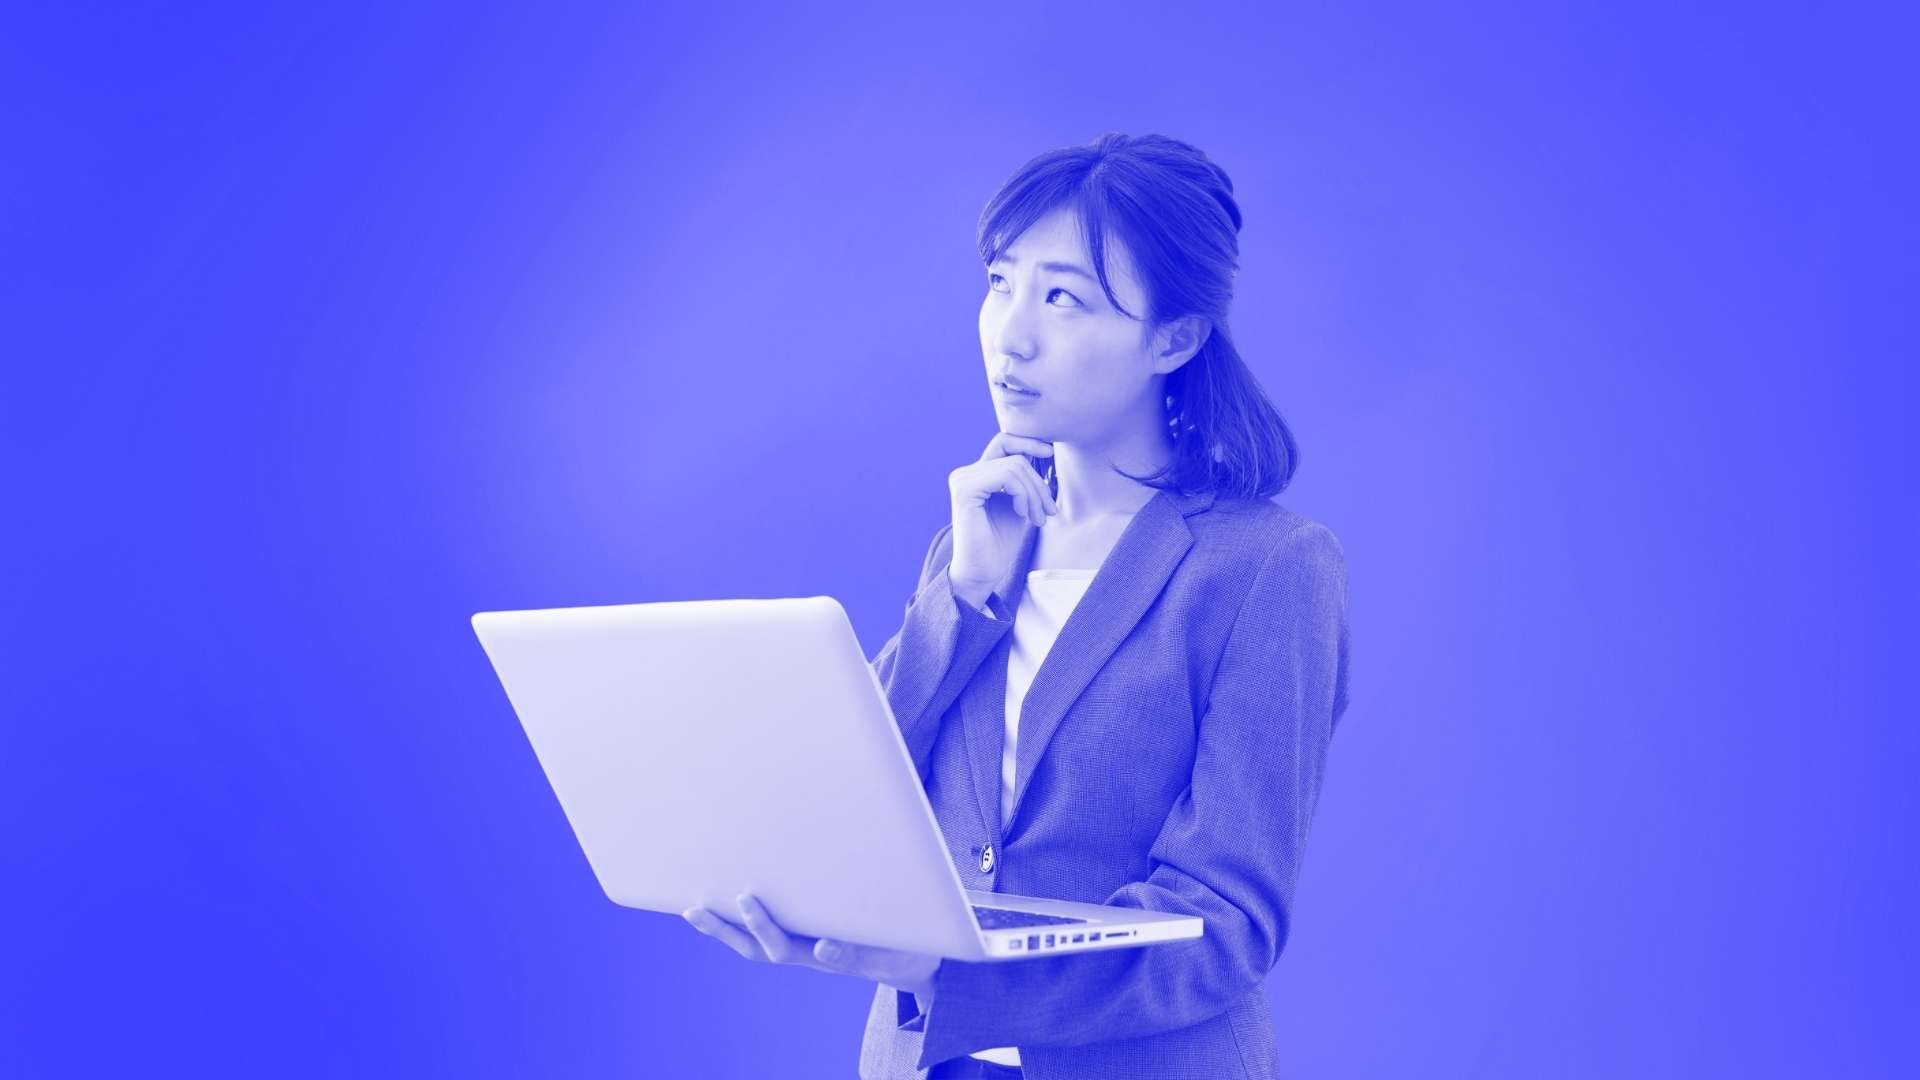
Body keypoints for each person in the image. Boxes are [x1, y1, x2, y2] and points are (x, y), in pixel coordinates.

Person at [684, 132, 1351, 1080]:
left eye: (1064, 296)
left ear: (1175, 336)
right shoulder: (974, 546)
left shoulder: (1268, 568)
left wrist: (958, 975)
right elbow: (850, 792)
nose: (1012, 330)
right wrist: (960, 600)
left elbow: (1224, 926)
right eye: (1002, 282)